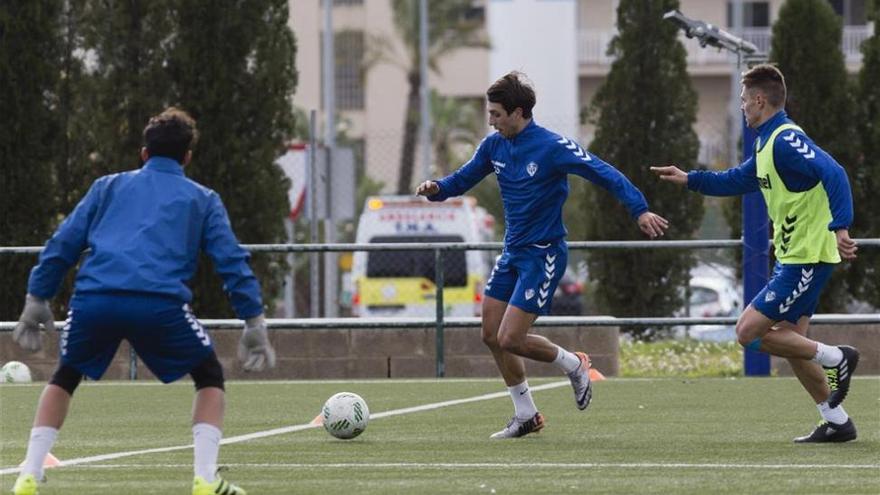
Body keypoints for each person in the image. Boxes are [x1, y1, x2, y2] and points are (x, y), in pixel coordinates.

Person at [10, 108, 276, 495]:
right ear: (187, 157)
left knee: (65, 376)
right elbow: (231, 262)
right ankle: (205, 480)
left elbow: (62, 244)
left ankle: (28, 475)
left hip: (95, 300)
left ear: (144, 153)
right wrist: (254, 321)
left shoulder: (106, 187)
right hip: (158, 305)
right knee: (208, 376)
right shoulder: (203, 199)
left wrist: (37, 297)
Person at [416, 71, 669, 439]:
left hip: (544, 254)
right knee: (490, 333)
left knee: (511, 338)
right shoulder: (493, 147)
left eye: (497, 114)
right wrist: (436, 188)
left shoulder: (552, 147)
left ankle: (574, 364)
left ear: (518, 113)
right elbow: (462, 179)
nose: (491, 121)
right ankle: (526, 415)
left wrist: (639, 209)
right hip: (512, 253)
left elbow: (604, 173)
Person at [651, 64, 860, 443]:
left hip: (806, 256)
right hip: (796, 255)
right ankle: (837, 420)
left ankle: (837, 358)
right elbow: (738, 178)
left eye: (745, 100)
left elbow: (835, 172)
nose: (743, 107)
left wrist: (841, 226)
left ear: (760, 100)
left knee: (748, 332)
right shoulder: (766, 142)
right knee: (794, 344)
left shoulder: (784, 139)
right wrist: (690, 178)